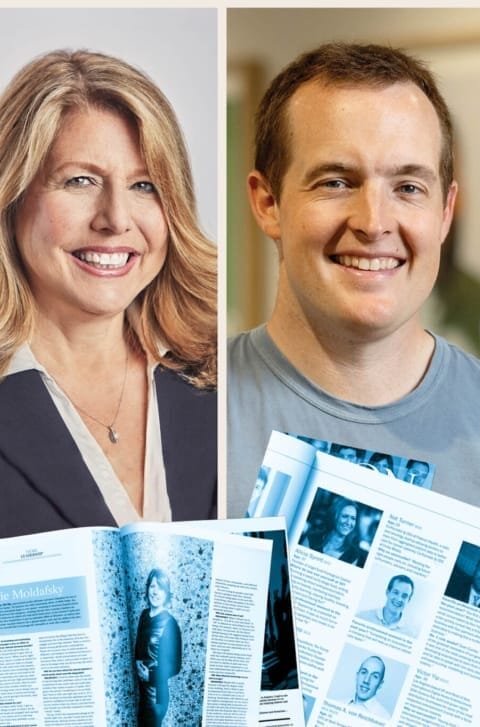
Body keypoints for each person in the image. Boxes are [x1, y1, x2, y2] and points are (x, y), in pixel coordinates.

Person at [227, 42, 480, 516]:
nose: (373, 222)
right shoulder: (189, 413)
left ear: (445, 212)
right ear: (268, 204)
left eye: (408, 188)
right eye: (336, 182)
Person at [0, 50, 217, 537]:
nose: (116, 218)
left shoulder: (219, 380)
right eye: (81, 180)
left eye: (145, 185)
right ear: (11, 197)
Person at [135, 568, 183, 727]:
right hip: (142, 692)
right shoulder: (144, 615)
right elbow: (139, 648)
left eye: (160, 588)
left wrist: (150, 675)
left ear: (166, 593)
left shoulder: (170, 623)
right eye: (152, 586)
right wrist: (137, 664)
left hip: (157, 695)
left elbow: (175, 666)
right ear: (147, 588)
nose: (155, 592)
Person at [299, 496, 363, 565]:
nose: (348, 522)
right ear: (334, 516)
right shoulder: (311, 538)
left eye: (353, 518)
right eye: (345, 516)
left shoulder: (353, 555)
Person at [348, 655, 390, 719]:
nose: (366, 680)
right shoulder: (338, 703)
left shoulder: (385, 717)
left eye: (375, 676)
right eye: (364, 672)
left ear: (380, 684)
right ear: (357, 676)